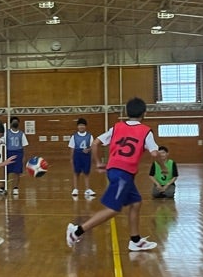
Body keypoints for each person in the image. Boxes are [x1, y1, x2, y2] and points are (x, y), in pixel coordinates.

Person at [66, 97, 160, 253]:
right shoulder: (146, 131)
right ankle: (76, 232)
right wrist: (163, 167)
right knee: (113, 209)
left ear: (126, 112)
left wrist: (98, 162)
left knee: (136, 203)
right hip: (123, 174)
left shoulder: (116, 127)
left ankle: (135, 240)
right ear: (144, 113)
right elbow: (155, 154)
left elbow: (95, 143)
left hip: (116, 171)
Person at [0, 116, 29, 195]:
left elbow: (25, 146)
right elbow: (0, 141)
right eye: (14, 121)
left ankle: (15, 188)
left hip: (18, 153)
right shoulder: (7, 133)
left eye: (16, 122)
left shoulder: (21, 134)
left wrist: (24, 157)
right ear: (10, 123)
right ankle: (2, 187)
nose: (15, 123)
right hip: (9, 153)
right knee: (6, 171)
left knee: (17, 172)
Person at [68, 118, 96, 198]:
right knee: (76, 172)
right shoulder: (74, 136)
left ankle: (87, 189)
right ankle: (75, 189)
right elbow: (72, 148)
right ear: (77, 126)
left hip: (86, 156)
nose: (81, 127)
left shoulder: (89, 136)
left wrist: (89, 149)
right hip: (77, 155)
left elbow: (92, 146)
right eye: (80, 125)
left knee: (86, 173)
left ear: (85, 126)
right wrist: (71, 158)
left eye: (83, 125)